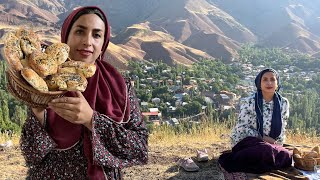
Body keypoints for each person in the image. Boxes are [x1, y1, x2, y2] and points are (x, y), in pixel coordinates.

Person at [20, 6, 148, 179]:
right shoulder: (45, 82)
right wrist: (38, 113)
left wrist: (92, 120)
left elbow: (139, 149)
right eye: (80, 31)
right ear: (66, 37)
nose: (88, 41)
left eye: (96, 35)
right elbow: (31, 154)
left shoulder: (120, 87)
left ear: (103, 43)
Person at [218, 68, 292, 174]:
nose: (269, 82)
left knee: (287, 155)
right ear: (259, 83)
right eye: (265, 79)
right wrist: (263, 138)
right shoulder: (249, 102)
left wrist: (277, 145)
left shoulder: (284, 103)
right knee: (266, 150)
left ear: (277, 83)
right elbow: (242, 128)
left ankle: (268, 157)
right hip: (247, 141)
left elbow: (283, 126)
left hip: (270, 143)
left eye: (272, 79)